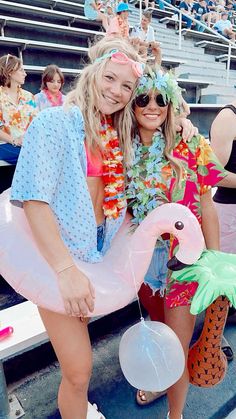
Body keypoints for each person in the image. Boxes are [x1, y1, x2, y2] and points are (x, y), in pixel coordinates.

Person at [9, 37, 144, 419]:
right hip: (57, 260)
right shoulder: (53, 122)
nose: (116, 91)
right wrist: (65, 270)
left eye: (126, 86)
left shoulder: (120, 134)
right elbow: (34, 199)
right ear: (92, 73)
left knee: (77, 365)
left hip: (96, 257)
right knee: (79, 368)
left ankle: (78, 408)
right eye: (110, 78)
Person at [126, 65, 230, 419]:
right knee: (157, 335)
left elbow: (206, 203)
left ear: (171, 104)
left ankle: (176, 414)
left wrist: (212, 263)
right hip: (142, 262)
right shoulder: (120, 149)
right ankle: (160, 379)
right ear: (132, 104)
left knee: (176, 345)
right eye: (143, 98)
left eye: (160, 98)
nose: (152, 106)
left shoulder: (191, 143)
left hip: (184, 263)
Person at [210, 101, 236, 361]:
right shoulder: (228, 117)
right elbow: (213, 174)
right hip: (229, 212)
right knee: (221, 278)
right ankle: (214, 336)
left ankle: (229, 314)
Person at [0, 54, 37, 165]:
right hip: (4, 144)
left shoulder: (29, 96)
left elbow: (35, 123)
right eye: (21, 70)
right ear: (10, 72)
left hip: (26, 145)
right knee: (31, 156)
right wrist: (15, 141)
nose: (25, 74)